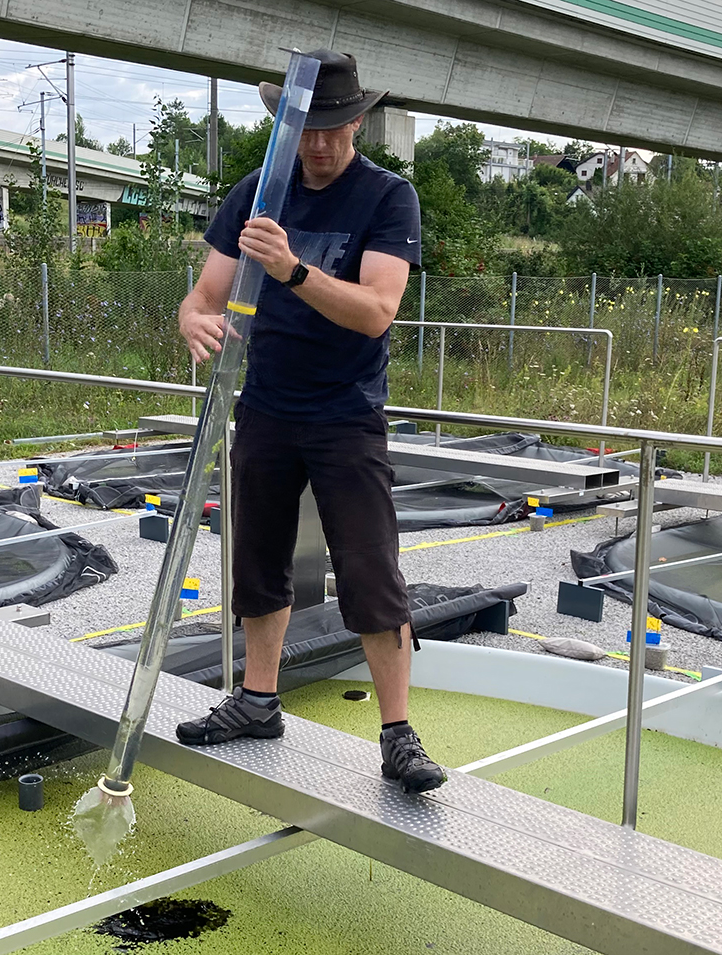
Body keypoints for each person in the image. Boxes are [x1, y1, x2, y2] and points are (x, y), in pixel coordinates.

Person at [172, 49, 445, 794]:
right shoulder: (258, 192)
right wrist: (193, 320)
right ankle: (258, 702)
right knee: (256, 562)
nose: (319, 144)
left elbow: (376, 313)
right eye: (307, 129)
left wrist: (293, 268)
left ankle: (397, 733)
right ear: (286, 125)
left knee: (369, 571)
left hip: (346, 413)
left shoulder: (388, 198)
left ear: (357, 120)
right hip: (264, 405)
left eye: (334, 127)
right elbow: (204, 295)